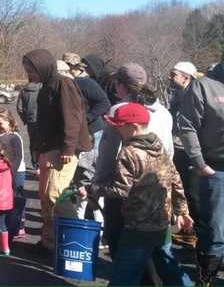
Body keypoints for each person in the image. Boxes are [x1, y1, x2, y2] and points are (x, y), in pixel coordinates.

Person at [83, 103, 193, 286]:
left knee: (125, 273)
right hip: (162, 221)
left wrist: (93, 188)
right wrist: (182, 211)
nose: (117, 130)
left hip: (138, 226)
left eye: (119, 126)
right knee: (168, 264)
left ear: (132, 128)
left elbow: (121, 189)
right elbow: (176, 180)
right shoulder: (158, 146)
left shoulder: (129, 153)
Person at [93, 63, 174, 258]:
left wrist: (97, 186)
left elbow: (107, 154)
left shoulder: (120, 111)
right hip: (159, 188)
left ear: (120, 86)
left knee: (122, 244)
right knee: (157, 249)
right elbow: (169, 152)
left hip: (125, 189)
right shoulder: (163, 112)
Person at [22, 49, 91, 251]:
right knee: (44, 196)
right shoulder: (45, 87)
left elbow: (73, 118)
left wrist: (68, 149)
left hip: (63, 150)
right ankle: (48, 242)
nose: (29, 75)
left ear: (42, 66)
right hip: (47, 148)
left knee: (55, 195)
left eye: (31, 70)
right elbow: (42, 123)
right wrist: (36, 148)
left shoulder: (64, 83)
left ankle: (69, 243)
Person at [177, 60, 224, 286]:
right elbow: (187, 126)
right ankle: (206, 279)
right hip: (215, 168)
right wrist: (199, 162)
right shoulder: (204, 86)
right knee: (215, 231)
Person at [63, 53, 111, 222]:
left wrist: (87, 118)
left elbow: (104, 103)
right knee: (78, 174)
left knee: (90, 173)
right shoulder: (67, 85)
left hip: (93, 132)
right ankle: (81, 213)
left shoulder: (86, 83)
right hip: (78, 133)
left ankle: (97, 215)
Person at [169, 61, 200, 248]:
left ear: (186, 77)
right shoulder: (177, 94)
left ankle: (194, 233)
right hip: (178, 147)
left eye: (174, 74)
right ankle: (185, 230)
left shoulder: (195, 95)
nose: (170, 78)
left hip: (190, 149)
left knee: (192, 192)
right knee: (181, 189)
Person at [0, 107, 27, 239]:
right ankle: (7, 226)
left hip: (16, 171)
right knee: (8, 199)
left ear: (9, 121)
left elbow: (18, 157)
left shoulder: (15, 137)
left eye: (1, 123)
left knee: (17, 198)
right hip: (5, 172)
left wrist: (11, 173)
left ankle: (19, 226)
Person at [16, 81, 41, 169]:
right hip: (43, 120)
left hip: (31, 120)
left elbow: (19, 108)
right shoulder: (43, 87)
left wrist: (25, 119)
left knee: (33, 142)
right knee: (44, 142)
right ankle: (41, 164)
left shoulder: (23, 90)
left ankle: (35, 163)